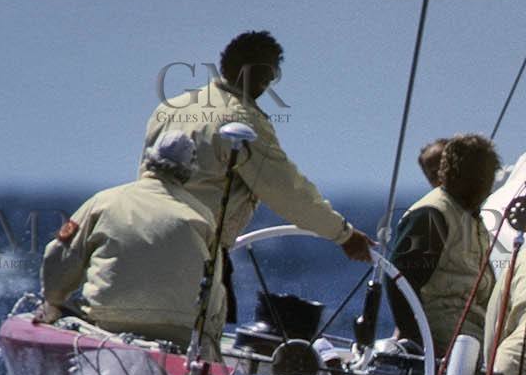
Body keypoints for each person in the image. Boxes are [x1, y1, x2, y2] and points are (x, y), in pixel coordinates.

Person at [143, 31, 372, 282]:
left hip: (144, 239)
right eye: (271, 74)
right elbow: (286, 191)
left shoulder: (170, 107)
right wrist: (344, 235)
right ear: (262, 75)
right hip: (195, 255)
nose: (270, 82)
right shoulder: (242, 120)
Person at [40, 132, 225, 355]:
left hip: (108, 323)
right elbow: (214, 288)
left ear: (147, 160)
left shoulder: (104, 202)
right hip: (178, 333)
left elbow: (60, 257)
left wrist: (53, 302)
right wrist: (210, 335)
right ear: (189, 170)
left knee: (59, 312)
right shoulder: (202, 216)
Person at [388, 132, 501, 353]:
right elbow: (400, 282)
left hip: (477, 324)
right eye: (476, 177)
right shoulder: (432, 215)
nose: (484, 186)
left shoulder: (471, 216)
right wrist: (415, 340)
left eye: (487, 178)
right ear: (453, 175)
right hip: (444, 329)